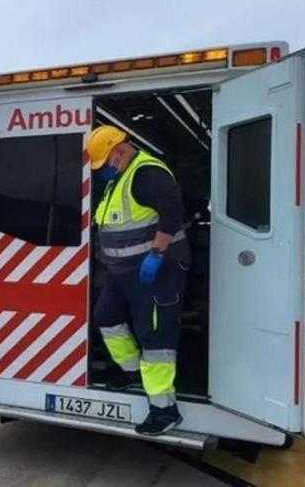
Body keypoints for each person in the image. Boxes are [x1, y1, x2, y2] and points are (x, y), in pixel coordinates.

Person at [86, 125, 190, 436]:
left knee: (155, 337)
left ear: (118, 151)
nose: (103, 169)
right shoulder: (120, 179)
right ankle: (133, 372)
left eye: (104, 162)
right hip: (124, 272)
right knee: (106, 317)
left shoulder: (146, 174)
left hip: (157, 269)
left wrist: (157, 254)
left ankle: (164, 410)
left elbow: (172, 212)